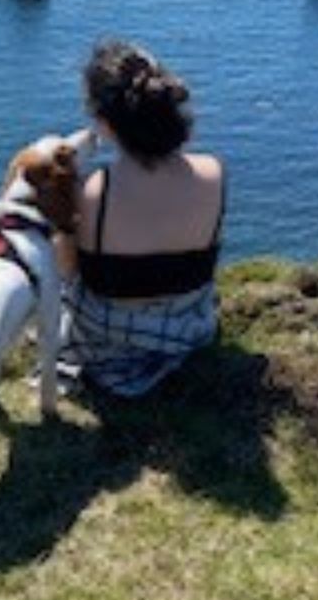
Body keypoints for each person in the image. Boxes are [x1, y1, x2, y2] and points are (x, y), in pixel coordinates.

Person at [59, 40, 225, 397]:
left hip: (108, 340)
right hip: (189, 326)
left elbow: (68, 272)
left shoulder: (94, 191)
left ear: (105, 124)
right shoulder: (214, 173)